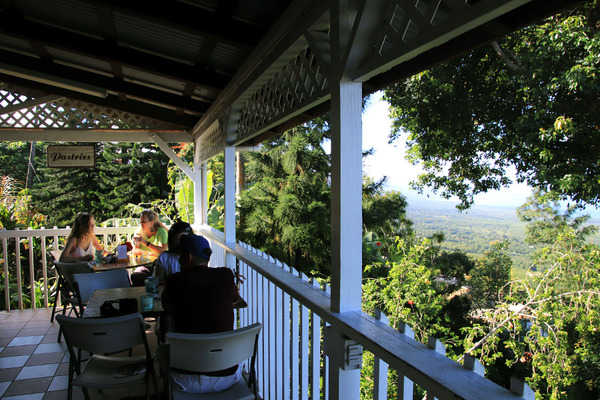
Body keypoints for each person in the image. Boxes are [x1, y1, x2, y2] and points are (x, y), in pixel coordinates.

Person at [161, 233, 241, 394]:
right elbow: (235, 300)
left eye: (181, 255)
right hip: (227, 376)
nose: (178, 259)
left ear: (188, 257)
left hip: (184, 380)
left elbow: (166, 306)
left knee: (161, 344)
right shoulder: (225, 275)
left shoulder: (175, 281)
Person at [153, 219, 193, 284]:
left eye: (184, 241)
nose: (181, 244)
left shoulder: (194, 257)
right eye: (178, 241)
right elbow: (159, 281)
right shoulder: (164, 257)